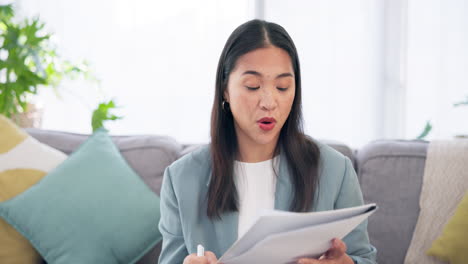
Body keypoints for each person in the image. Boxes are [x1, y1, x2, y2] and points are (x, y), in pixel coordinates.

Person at [158, 19, 377, 264]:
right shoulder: (181, 179)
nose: (269, 102)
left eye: (282, 87)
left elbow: (364, 258)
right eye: (253, 86)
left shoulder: (335, 171)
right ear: (225, 90)